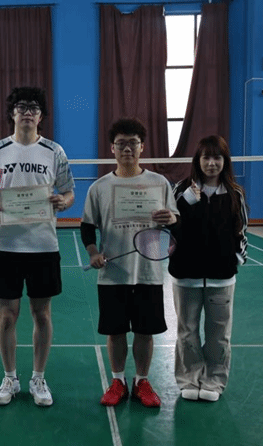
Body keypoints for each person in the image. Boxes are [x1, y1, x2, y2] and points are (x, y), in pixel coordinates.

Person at [0, 87, 75, 407]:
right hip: (6, 245)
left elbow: (69, 192)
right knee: (7, 316)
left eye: (34, 107)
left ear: (41, 115)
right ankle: (10, 378)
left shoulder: (54, 151)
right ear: (12, 114)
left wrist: (63, 202)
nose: (28, 112)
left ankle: (38, 378)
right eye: (21, 107)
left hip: (43, 245)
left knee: (41, 314)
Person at [81, 118, 179, 408]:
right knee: (116, 331)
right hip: (113, 273)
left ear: (142, 147)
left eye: (133, 143)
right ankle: (118, 381)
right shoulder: (99, 187)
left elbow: (176, 220)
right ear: (112, 148)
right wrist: (92, 253)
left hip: (148, 272)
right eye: (121, 143)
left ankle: (142, 381)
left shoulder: (159, 183)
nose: (127, 149)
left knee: (145, 331)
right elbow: (87, 226)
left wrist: (172, 219)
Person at [169, 135, 248, 402]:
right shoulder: (181, 189)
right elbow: (171, 226)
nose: (212, 163)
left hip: (221, 278)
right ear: (198, 160)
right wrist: (187, 201)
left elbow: (241, 230)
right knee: (187, 332)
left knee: (219, 335)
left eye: (217, 157)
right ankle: (190, 378)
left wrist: (233, 260)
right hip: (185, 276)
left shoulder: (235, 194)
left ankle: (214, 381)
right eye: (206, 157)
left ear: (225, 161)